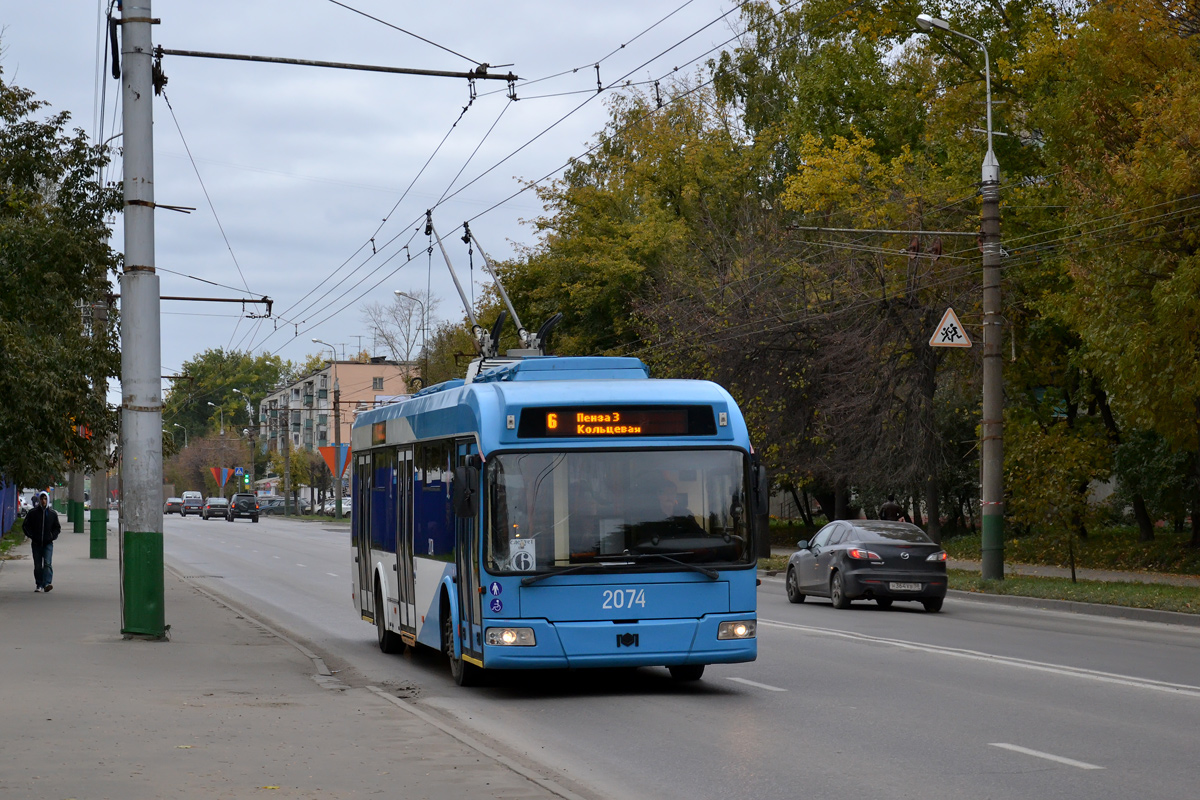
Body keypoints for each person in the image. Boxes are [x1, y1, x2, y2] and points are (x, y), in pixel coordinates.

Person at [22, 491, 61, 592]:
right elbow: (25, 526)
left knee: (48, 563)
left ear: (47, 500)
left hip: (48, 543)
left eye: (45, 499)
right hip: (36, 543)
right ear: (39, 500)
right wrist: (32, 535)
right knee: (38, 565)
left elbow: (57, 528)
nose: (43, 501)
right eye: (42, 499)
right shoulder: (33, 513)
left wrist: (52, 536)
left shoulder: (52, 514)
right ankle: (39, 584)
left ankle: (47, 583)